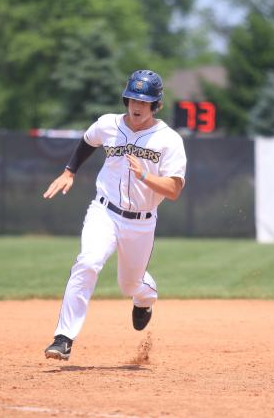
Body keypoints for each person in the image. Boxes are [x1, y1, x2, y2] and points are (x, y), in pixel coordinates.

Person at [42, 69, 187, 361]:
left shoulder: (169, 140)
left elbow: (173, 190)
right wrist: (70, 171)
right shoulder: (108, 124)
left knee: (130, 285)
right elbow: (87, 141)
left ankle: (145, 299)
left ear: (156, 105)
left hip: (142, 222)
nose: (137, 106)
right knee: (88, 262)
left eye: (145, 102)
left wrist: (145, 175)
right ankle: (64, 337)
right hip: (104, 211)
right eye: (133, 98)